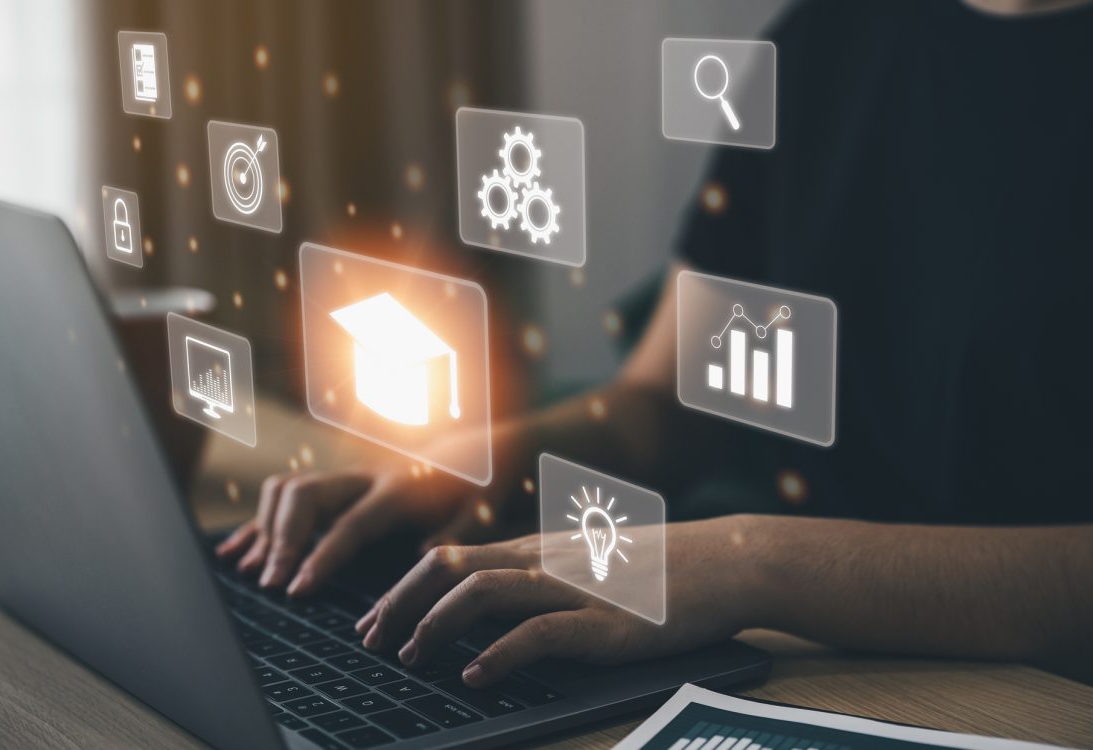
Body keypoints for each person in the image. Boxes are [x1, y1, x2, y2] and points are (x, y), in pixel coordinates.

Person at [217, 0, 1093, 688]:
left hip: (1033, 693)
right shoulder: (831, 38)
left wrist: (750, 560)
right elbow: (665, 405)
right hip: (811, 666)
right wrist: (472, 465)